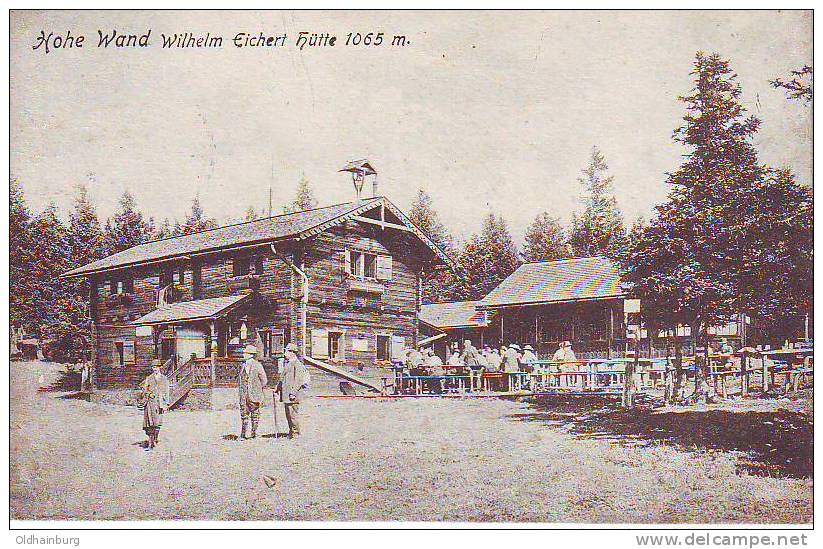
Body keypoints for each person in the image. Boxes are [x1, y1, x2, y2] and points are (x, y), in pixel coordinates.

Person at [279, 343, 310, 439]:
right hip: (286, 394)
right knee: (288, 414)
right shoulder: (288, 363)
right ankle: (291, 431)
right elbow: (282, 378)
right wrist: (277, 389)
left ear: (292, 352)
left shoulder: (298, 365)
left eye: (286, 351)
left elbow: (298, 380)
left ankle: (296, 433)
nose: (285, 354)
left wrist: (293, 393)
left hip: (293, 395)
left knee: (293, 415)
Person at [238, 344, 268, 440]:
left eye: (245, 353)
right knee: (244, 414)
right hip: (244, 395)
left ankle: (254, 433)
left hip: (254, 395)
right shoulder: (243, 365)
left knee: (255, 414)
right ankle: (243, 434)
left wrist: (257, 389)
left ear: (250, 354)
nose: (243, 354)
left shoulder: (257, 365)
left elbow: (264, 380)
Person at [141, 362, 170, 449]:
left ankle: (155, 439)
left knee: (158, 422)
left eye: (156, 367)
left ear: (160, 367)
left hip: (160, 403)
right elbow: (144, 390)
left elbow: (167, 392)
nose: (155, 369)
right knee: (150, 422)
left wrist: (166, 404)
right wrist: (149, 394)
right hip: (151, 403)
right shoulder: (149, 378)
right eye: (153, 367)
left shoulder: (164, 379)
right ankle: (151, 442)